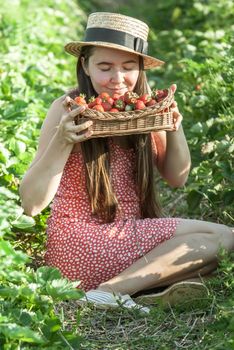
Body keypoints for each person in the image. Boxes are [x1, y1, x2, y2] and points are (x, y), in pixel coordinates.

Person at [19, 12, 234, 313]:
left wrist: (173, 122)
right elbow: (31, 204)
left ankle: (138, 291)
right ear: (85, 65)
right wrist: (63, 139)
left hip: (123, 239)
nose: (117, 80)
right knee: (225, 239)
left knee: (212, 257)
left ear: (142, 68)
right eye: (104, 67)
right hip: (78, 243)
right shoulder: (68, 108)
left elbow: (178, 177)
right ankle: (109, 292)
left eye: (129, 67)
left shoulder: (143, 110)